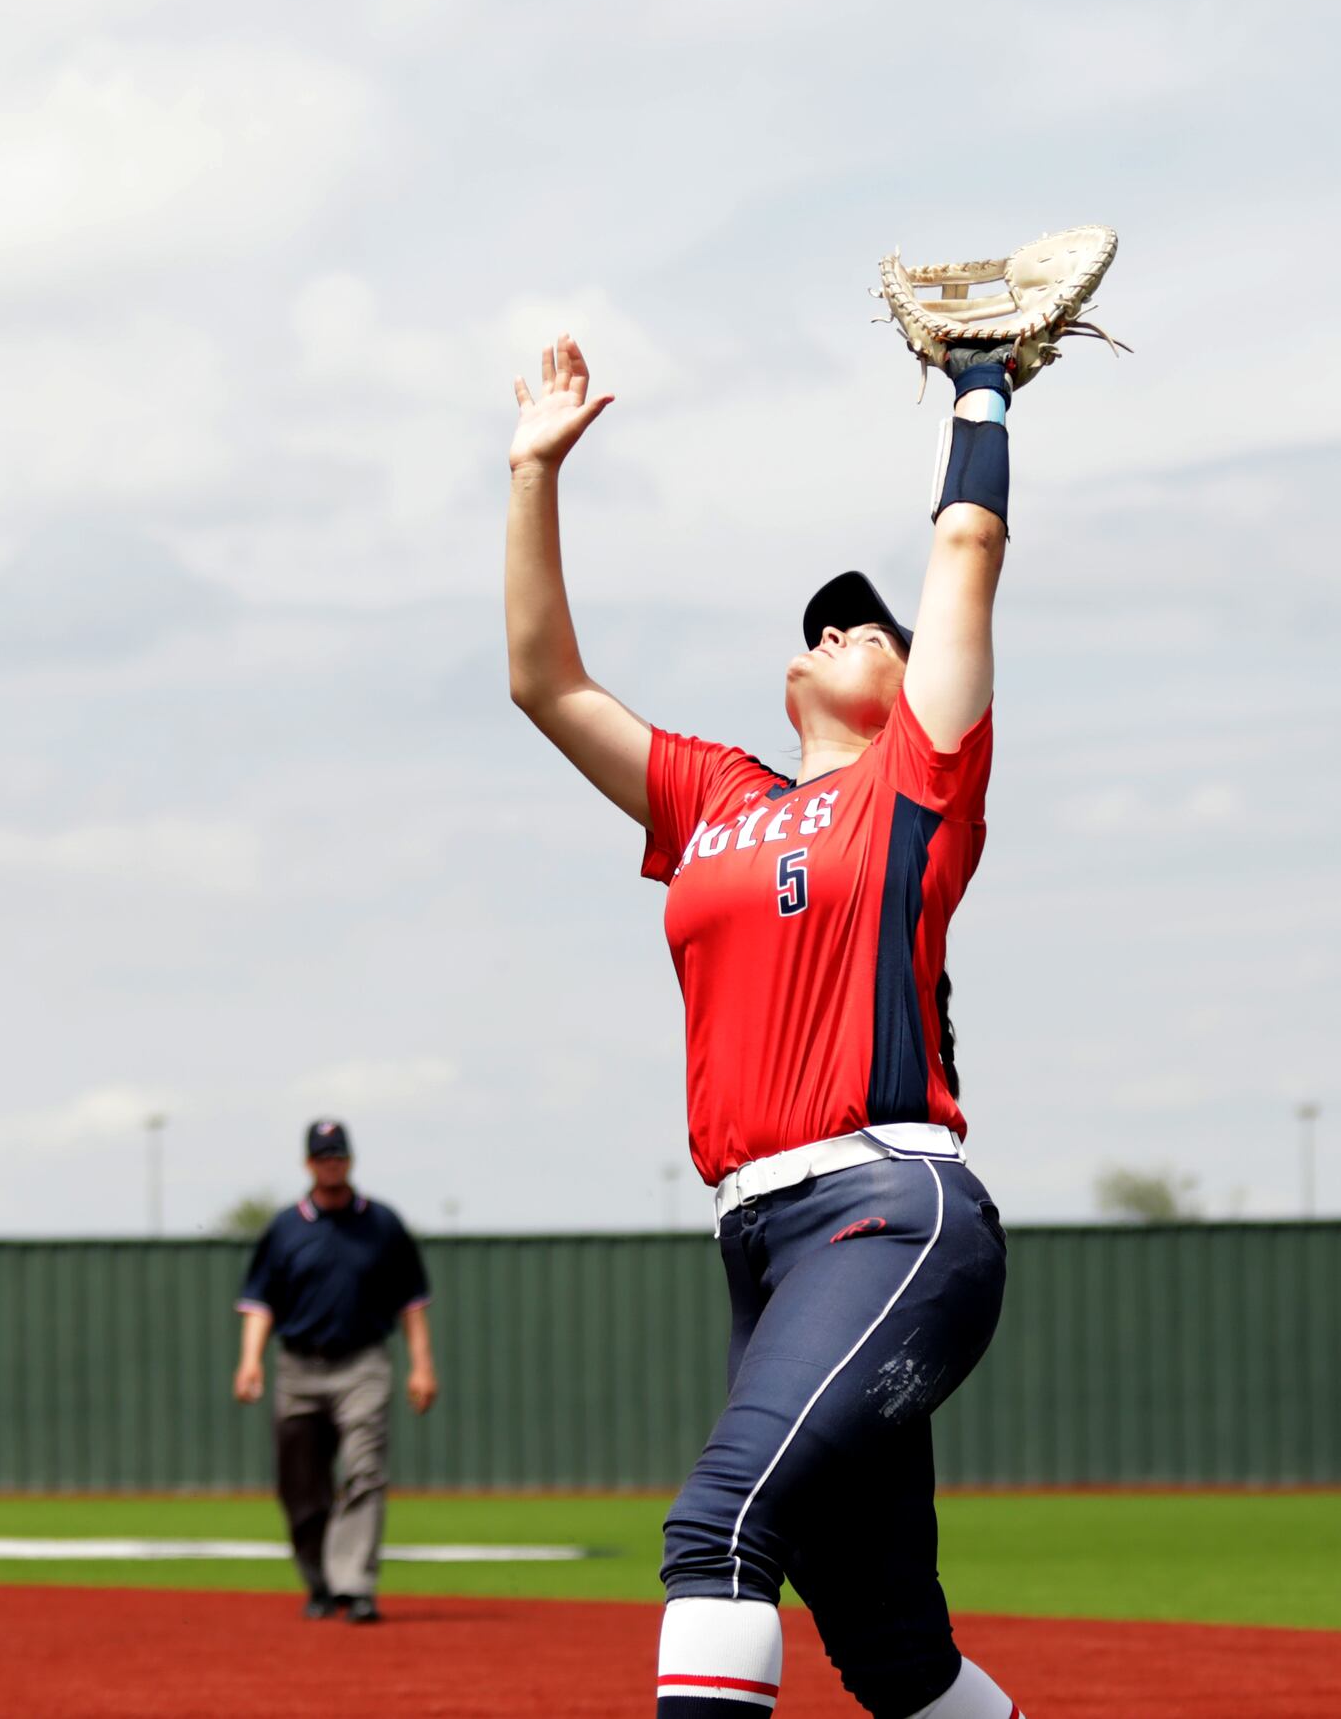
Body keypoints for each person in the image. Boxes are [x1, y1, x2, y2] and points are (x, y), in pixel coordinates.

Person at [505, 334, 1027, 1719]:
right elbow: (545, 683)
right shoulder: (715, 801)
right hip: (761, 1239)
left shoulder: (916, 777)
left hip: (884, 1207)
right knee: (889, 1651)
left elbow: (965, 539)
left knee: (720, 1527)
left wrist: (983, 387)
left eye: (868, 623)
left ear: (915, 684)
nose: (837, 624)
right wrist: (532, 473)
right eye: (826, 618)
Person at [232, 1118, 439, 1624]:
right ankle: (321, 1582)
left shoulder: (382, 1224)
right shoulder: (285, 1228)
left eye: (339, 1156)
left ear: (350, 1160)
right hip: (299, 1365)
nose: (332, 1164)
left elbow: (411, 1304)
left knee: (365, 1469)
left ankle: (356, 1586)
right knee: (300, 1484)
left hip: (363, 1362)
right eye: (324, 1157)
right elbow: (260, 1303)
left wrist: (422, 1367)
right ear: (309, 1164)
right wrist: (250, 1360)